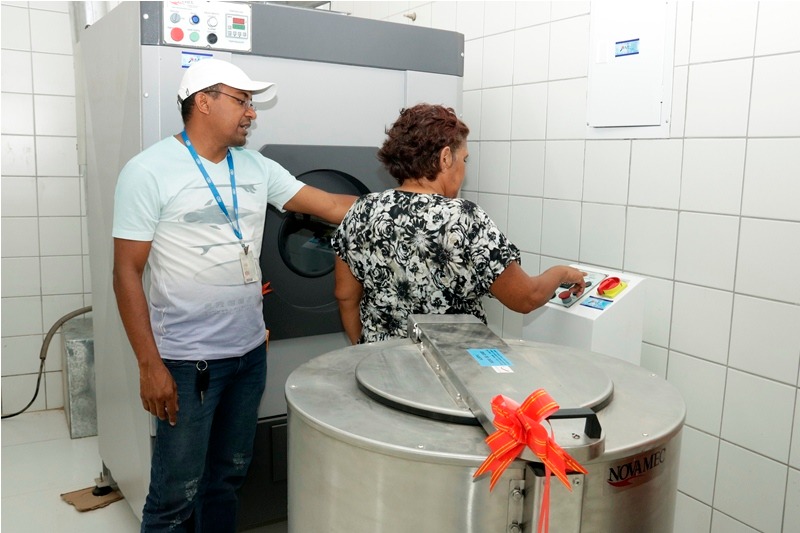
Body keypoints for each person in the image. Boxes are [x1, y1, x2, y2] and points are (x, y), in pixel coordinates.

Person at [111, 58, 355, 532]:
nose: (252, 113)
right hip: (186, 363)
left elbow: (327, 205)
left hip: (247, 355)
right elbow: (126, 273)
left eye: (252, 103)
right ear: (203, 102)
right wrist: (149, 365)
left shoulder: (256, 166)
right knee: (174, 495)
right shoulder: (148, 171)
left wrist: (404, 206)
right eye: (242, 101)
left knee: (226, 479)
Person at [332, 104, 586, 344]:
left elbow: (345, 296)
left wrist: (364, 350)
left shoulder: (360, 209)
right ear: (445, 158)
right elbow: (526, 298)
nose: (464, 168)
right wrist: (561, 273)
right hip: (451, 371)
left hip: (382, 370)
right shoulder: (462, 217)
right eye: (464, 159)